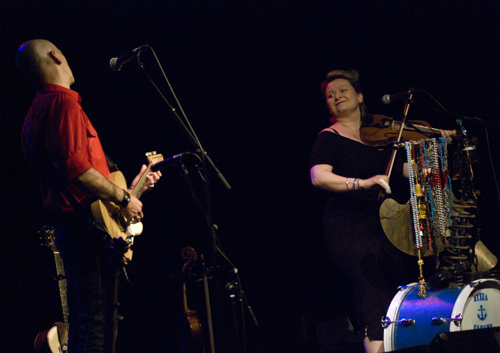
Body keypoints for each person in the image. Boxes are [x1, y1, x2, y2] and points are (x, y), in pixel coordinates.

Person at [16, 39, 162, 353]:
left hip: (77, 230)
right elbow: (77, 170)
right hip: (86, 234)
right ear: (56, 55)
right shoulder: (62, 103)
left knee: (88, 326)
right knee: (96, 330)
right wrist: (125, 200)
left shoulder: (37, 112)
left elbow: (77, 176)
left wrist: (131, 189)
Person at [309, 69, 454, 353]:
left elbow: (403, 170)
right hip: (347, 224)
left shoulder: (382, 135)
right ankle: (375, 344)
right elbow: (318, 176)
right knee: (370, 283)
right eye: (330, 94)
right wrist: (360, 184)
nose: (336, 96)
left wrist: (429, 163)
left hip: (387, 223)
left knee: (402, 282)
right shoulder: (328, 138)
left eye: (343, 90)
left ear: (360, 96)